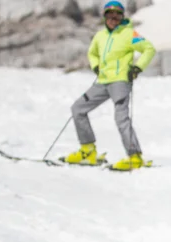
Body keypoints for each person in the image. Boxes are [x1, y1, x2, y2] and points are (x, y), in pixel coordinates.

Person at [61, 1, 156, 171]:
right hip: (103, 81)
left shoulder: (129, 34)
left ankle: (135, 157)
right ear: (104, 16)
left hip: (120, 82)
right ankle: (88, 151)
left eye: (117, 14)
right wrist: (96, 66)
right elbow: (92, 53)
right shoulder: (100, 36)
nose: (113, 18)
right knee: (78, 109)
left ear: (122, 16)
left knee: (121, 120)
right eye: (109, 14)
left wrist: (137, 68)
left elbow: (148, 49)